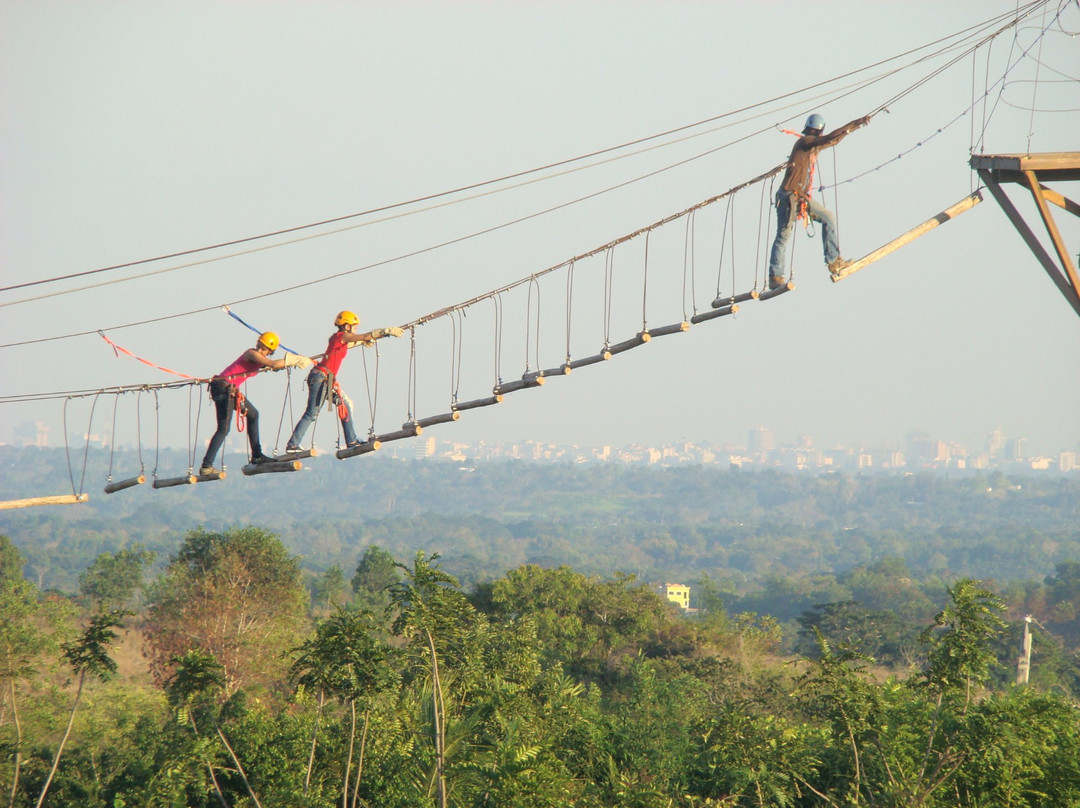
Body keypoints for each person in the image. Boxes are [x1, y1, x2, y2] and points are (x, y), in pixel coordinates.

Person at [767, 112, 871, 289]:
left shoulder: (812, 145)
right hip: (789, 196)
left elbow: (833, 140)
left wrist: (853, 127)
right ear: (819, 132)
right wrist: (855, 121)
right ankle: (775, 277)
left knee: (828, 218)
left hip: (800, 198)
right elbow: (829, 138)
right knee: (784, 235)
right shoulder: (805, 142)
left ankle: (834, 261)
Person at [284, 311, 404, 453]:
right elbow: (363, 336)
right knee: (312, 413)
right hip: (320, 379)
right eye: (354, 326)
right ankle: (292, 445)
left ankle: (351, 440)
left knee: (345, 405)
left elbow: (356, 340)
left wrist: (372, 339)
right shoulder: (342, 336)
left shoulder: (339, 338)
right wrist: (385, 331)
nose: (356, 329)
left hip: (326, 380)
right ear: (347, 326)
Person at [199, 331, 311, 475]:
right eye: (259, 346)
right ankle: (207, 466)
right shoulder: (251, 353)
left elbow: (273, 366)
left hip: (227, 390)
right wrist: (294, 360)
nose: (259, 349)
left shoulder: (258, 360)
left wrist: (289, 363)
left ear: (270, 351)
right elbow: (273, 363)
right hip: (223, 388)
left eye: (263, 348)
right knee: (224, 429)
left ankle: (257, 456)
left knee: (253, 415)